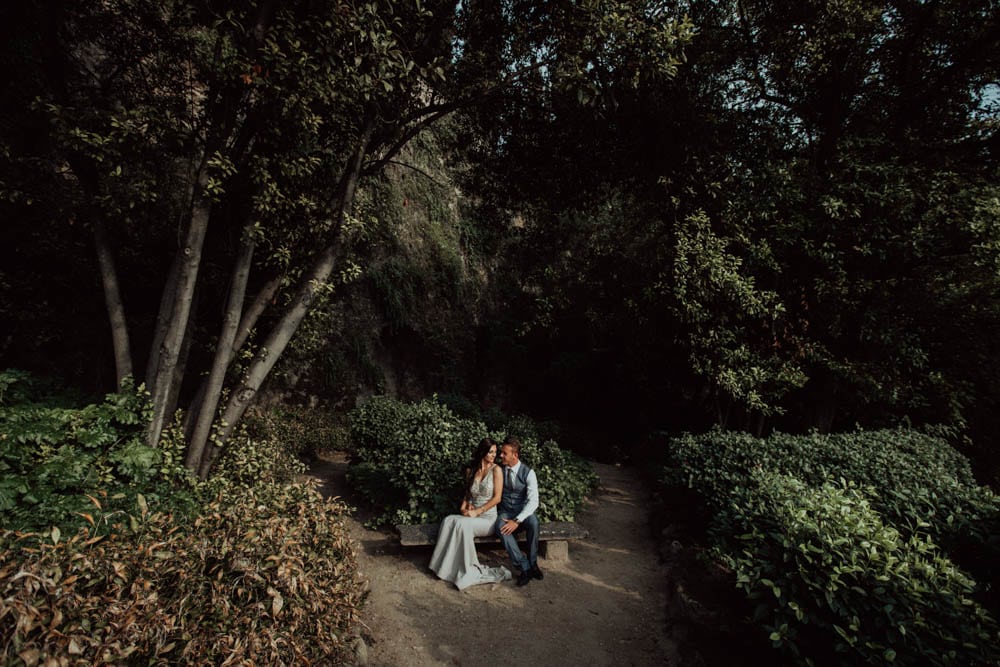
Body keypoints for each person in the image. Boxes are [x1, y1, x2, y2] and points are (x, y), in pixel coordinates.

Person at [429, 438, 512, 590]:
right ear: (483, 452)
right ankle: (442, 568)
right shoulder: (471, 470)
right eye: (490, 452)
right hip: (471, 515)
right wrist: (463, 509)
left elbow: (497, 498)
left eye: (495, 452)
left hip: (488, 519)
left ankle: (467, 570)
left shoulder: (496, 470)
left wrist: (477, 512)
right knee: (448, 520)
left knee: (461, 524)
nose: (494, 455)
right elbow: (467, 496)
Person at [495, 436, 543, 587]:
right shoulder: (499, 470)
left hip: (522, 512)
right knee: (500, 527)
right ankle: (525, 566)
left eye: (504, 453)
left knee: (534, 522)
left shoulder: (528, 473)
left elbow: (533, 501)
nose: (500, 455)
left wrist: (517, 521)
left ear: (515, 455)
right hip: (505, 511)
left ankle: (533, 562)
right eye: (501, 453)